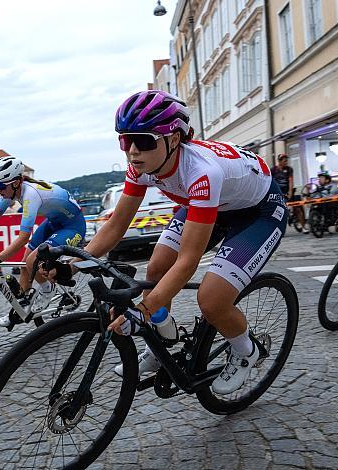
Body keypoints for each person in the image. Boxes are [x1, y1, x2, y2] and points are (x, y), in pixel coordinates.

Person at [48, 90, 288, 395]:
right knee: (157, 267)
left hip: (258, 211)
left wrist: (144, 310)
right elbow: (116, 226)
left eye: (144, 140)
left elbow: (188, 261)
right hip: (212, 204)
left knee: (212, 298)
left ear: (174, 139)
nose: (133, 151)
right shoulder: (141, 167)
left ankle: (246, 352)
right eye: (125, 140)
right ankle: (163, 341)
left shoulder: (202, 171)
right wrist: (71, 264)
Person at [0, 156, 86, 327]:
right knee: (24, 265)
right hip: (53, 223)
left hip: (73, 226)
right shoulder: (11, 191)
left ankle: (47, 290)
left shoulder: (30, 195)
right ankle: (22, 308)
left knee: (32, 261)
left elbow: (23, 238)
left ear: (15, 183)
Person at [273, 153, 308, 233]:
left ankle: (303, 227)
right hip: (278, 192)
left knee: (298, 208)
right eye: (284, 161)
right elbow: (272, 182)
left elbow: (291, 180)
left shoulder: (289, 169)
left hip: (288, 191)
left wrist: (290, 192)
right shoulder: (273, 170)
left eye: (286, 160)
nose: (286, 162)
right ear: (279, 161)